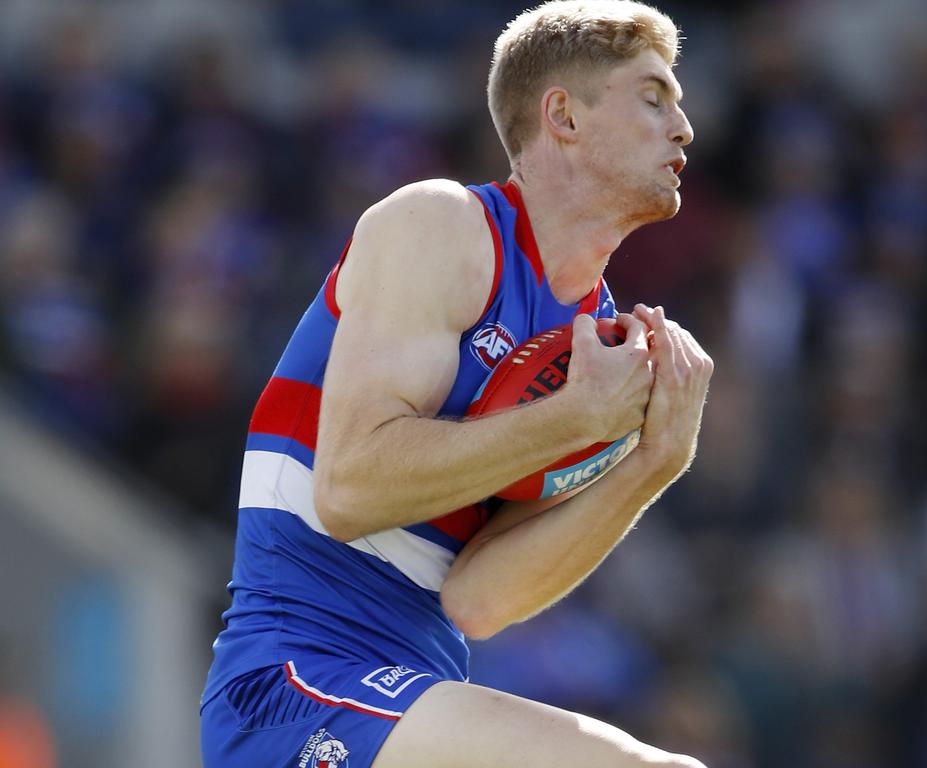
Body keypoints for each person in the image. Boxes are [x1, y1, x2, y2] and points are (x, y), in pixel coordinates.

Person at [200, 2, 713, 766]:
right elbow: (347, 492)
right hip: (292, 684)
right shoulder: (440, 225)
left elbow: (478, 601)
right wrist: (573, 419)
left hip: (405, 690)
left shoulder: (594, 351)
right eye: (654, 97)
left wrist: (651, 465)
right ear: (563, 116)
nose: (685, 127)